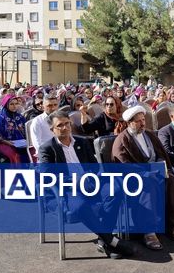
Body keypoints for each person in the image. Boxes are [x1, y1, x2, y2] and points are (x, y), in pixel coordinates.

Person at [38, 110, 135, 259]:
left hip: (89, 183)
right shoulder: (47, 148)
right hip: (67, 189)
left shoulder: (81, 142)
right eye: (60, 126)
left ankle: (104, 240)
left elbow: (95, 166)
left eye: (67, 123)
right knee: (80, 206)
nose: (65, 128)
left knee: (115, 191)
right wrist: (73, 182)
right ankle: (110, 240)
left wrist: (91, 178)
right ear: (52, 130)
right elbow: (48, 176)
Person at [112, 105, 174, 250]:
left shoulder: (150, 135)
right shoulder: (122, 140)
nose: (143, 123)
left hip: (155, 173)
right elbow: (123, 166)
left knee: (171, 179)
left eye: (143, 119)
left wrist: (160, 167)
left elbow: (160, 154)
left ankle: (173, 226)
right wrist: (146, 172)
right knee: (148, 184)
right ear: (129, 123)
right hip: (136, 179)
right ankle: (149, 231)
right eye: (138, 121)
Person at [0, 94, 28, 163]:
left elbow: (25, 130)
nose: (14, 106)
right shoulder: (0, 117)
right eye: (11, 104)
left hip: (20, 143)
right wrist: (7, 142)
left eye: (16, 103)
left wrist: (26, 141)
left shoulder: (20, 116)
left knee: (30, 151)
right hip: (3, 142)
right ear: (6, 105)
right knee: (12, 154)